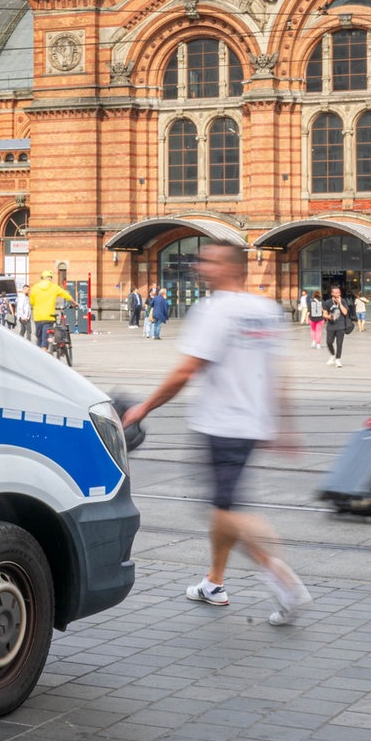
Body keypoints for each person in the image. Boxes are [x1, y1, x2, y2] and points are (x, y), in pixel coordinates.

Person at [121, 241, 313, 625]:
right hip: (251, 424)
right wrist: (284, 424)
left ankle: (282, 579)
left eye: (208, 261)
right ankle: (214, 582)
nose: (199, 267)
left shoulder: (215, 309)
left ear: (230, 268)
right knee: (223, 505)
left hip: (221, 424)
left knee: (227, 512)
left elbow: (186, 371)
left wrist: (144, 407)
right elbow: (279, 373)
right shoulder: (266, 310)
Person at [29, 270, 66, 350]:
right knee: (45, 336)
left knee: (39, 337)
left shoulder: (35, 287)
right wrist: (74, 302)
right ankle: (44, 352)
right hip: (49, 317)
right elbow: (65, 294)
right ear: (50, 278)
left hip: (38, 317)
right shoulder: (54, 287)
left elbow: (31, 301)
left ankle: (40, 353)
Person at [323, 285, 351, 367]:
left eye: (338, 292)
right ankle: (332, 355)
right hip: (331, 326)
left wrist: (340, 303)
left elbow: (345, 312)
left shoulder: (343, 301)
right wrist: (328, 316)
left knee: (339, 344)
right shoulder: (327, 302)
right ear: (332, 293)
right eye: (335, 293)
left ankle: (338, 359)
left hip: (340, 325)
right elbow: (324, 313)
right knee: (329, 342)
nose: (337, 294)